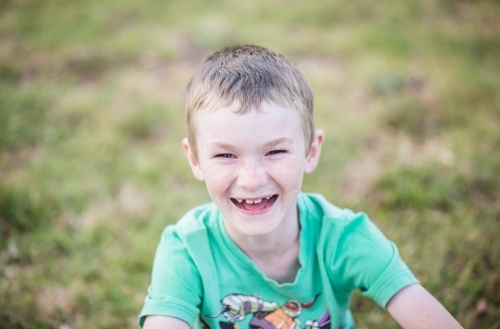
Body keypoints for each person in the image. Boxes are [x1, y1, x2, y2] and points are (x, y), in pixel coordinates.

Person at [139, 45, 462, 329]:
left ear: (311, 151)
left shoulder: (344, 237)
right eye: (225, 154)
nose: (252, 179)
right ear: (195, 159)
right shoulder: (187, 249)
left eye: (275, 151)